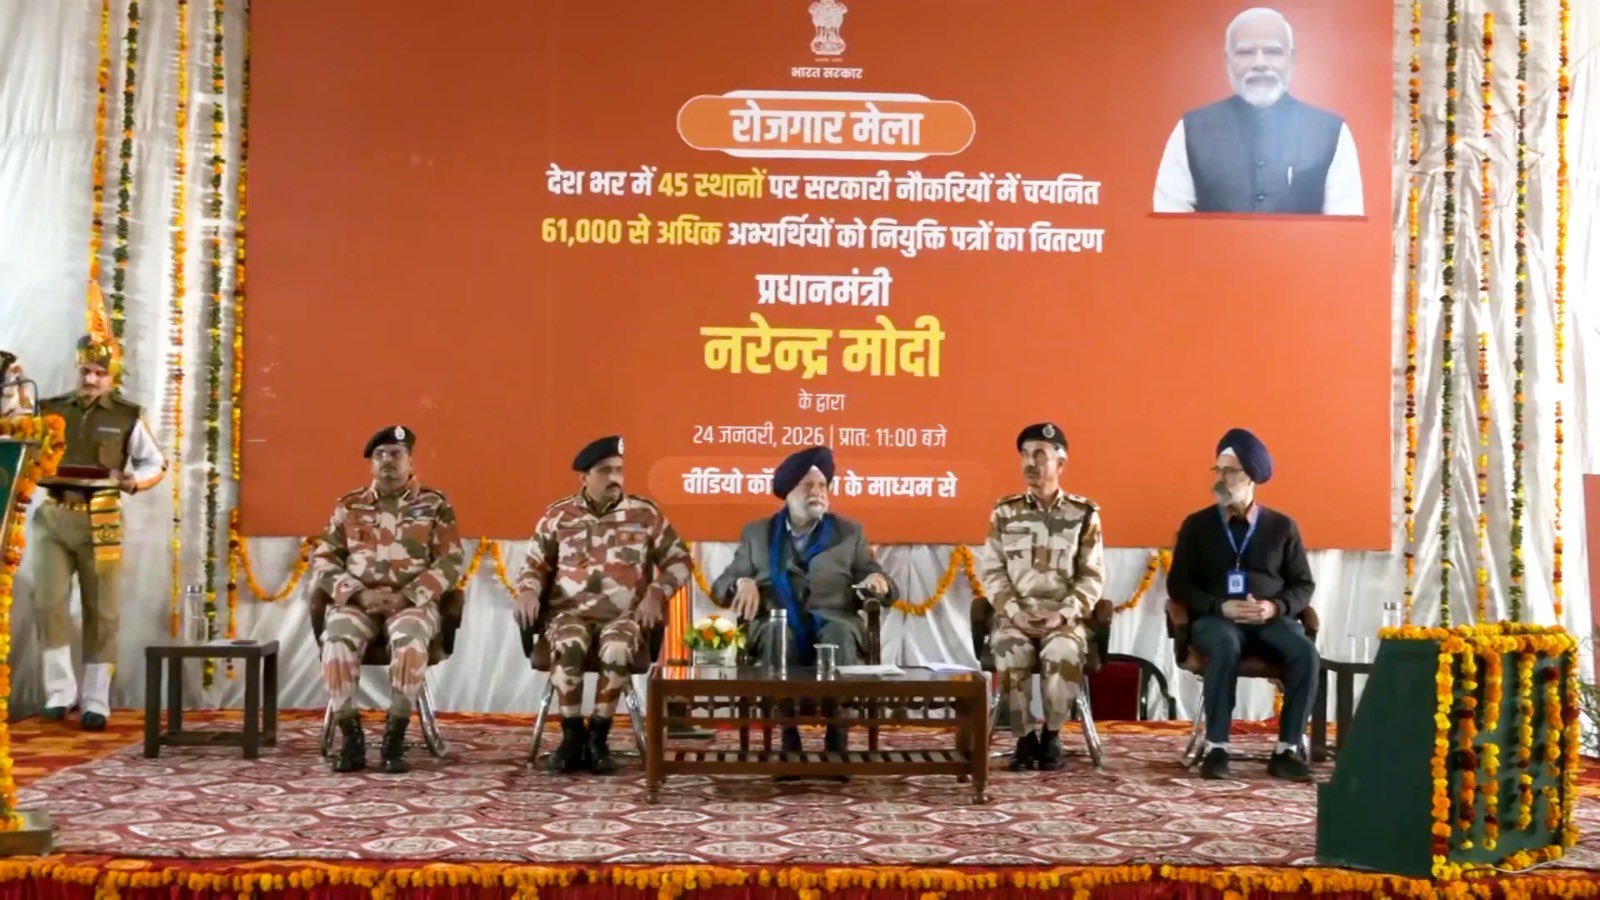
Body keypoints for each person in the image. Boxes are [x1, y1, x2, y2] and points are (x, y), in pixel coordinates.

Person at [514, 435, 692, 775]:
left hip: (623, 618)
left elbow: (680, 562)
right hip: (567, 614)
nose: (614, 478)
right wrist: (527, 591)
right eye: (605, 471)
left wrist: (657, 592)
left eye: (619, 470)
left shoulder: (644, 514)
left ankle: (598, 737)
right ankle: (571, 736)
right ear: (584, 478)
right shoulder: (558, 516)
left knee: (617, 646)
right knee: (569, 642)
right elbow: (534, 566)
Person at [32, 284, 165, 730]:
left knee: (102, 611)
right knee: (48, 602)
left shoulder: (127, 415)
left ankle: (95, 700)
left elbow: (155, 462)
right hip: (54, 515)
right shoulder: (49, 409)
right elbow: (22, 443)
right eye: (86, 371)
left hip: (101, 516)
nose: (91, 380)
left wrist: (134, 481)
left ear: (113, 376)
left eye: (100, 374)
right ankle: (59, 692)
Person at [711, 445, 896, 762]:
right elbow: (721, 586)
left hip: (835, 620)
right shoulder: (758, 533)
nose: (817, 492)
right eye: (808, 485)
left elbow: (873, 574)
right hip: (775, 621)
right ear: (788, 492)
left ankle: (837, 738)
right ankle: (789, 737)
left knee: (838, 635)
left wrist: (879, 582)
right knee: (778, 635)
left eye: (822, 485)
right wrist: (741, 582)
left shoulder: (848, 532)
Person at [310, 425, 465, 774]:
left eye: (396, 454)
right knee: (336, 641)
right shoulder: (349, 505)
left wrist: (408, 595)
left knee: (409, 642)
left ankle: (395, 738)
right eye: (379, 455)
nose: (387, 461)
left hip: (410, 604)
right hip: (358, 602)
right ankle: (351, 738)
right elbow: (324, 560)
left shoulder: (434, 505)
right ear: (372, 464)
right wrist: (357, 593)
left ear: (410, 461)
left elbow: (451, 561)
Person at [1166, 427, 1317, 781]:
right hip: (1217, 620)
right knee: (1224, 644)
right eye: (1217, 470)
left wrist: (1274, 607)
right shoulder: (1197, 525)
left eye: (1229, 471)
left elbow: (1303, 584)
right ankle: (1217, 747)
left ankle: (1287, 750)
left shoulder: (1282, 527)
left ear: (1250, 476)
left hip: (1269, 620)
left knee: (1306, 653)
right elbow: (1179, 584)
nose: (1220, 479)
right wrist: (1220, 607)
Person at [978, 423, 1105, 771]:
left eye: (1039, 455)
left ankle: (1051, 735)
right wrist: (1013, 611)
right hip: (1016, 615)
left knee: (1062, 651)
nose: (1030, 463)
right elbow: (992, 571)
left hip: (1063, 618)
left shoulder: (1083, 514)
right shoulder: (1005, 512)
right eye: (1024, 455)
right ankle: (1024, 738)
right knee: (1012, 649)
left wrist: (1063, 614)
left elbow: (1092, 576)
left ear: (1060, 464)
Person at [1152, 7, 1363, 215]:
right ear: (1227, 61)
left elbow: (1346, 223)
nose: (1260, 64)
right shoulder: (1191, 130)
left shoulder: (1331, 132)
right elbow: (1169, 219)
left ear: (1291, 59)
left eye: (1272, 52)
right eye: (1245, 53)